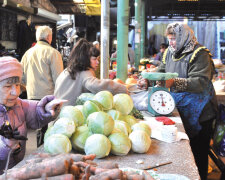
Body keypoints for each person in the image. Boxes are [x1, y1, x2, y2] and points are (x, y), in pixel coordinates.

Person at [138, 22, 218, 180]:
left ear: (184, 37)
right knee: (186, 150)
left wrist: (173, 82)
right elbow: (162, 70)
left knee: (198, 154)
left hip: (202, 112)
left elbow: (200, 82)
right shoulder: (170, 52)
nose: (171, 43)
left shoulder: (200, 53)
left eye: (174, 39)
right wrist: (148, 78)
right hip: (181, 106)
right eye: (169, 39)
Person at [0, 56, 65, 174]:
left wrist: (46, 108)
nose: (16, 92)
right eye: (8, 86)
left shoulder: (18, 105)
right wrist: (5, 146)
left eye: (18, 85)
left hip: (15, 172)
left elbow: (35, 112)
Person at [21, 25, 64, 147]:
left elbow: (22, 77)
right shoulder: (53, 53)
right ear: (49, 37)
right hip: (48, 97)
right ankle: (43, 151)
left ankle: (39, 150)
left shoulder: (27, 53)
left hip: (31, 96)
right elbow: (59, 79)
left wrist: (29, 87)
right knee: (48, 128)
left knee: (38, 127)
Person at [54, 38, 128, 106]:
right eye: (94, 59)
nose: (97, 62)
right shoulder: (85, 72)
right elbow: (96, 85)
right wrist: (123, 89)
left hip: (59, 114)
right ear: (85, 58)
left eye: (98, 59)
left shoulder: (66, 71)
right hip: (69, 117)